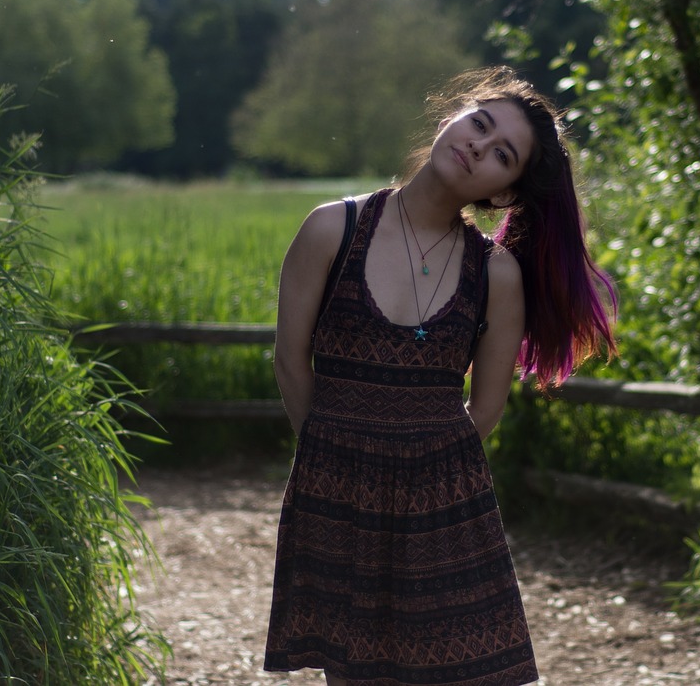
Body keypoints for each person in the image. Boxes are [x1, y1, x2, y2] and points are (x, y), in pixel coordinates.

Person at [264, 66, 617, 685]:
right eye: (480, 124)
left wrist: (424, 470)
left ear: (505, 192)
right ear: (454, 116)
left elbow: (485, 410)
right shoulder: (332, 230)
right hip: (334, 490)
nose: (479, 146)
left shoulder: (495, 275)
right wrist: (331, 453)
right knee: (350, 675)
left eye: (502, 154)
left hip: (444, 504)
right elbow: (291, 362)